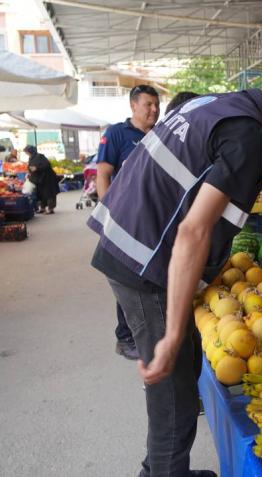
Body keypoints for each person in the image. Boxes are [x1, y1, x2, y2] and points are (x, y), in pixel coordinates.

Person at [87, 50, 262, 477]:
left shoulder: (219, 104)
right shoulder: (250, 133)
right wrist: (173, 332)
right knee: (175, 393)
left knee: (183, 371)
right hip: (145, 259)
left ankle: (159, 470)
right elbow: (193, 231)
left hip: (130, 242)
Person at [96, 84, 161, 361]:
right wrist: (108, 215)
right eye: (148, 104)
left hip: (153, 221)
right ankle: (125, 338)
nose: (154, 110)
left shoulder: (161, 133)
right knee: (126, 279)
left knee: (146, 278)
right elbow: (103, 174)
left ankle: (146, 332)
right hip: (125, 220)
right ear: (133, 106)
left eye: (157, 105)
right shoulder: (116, 133)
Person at [24, 145, 59, 214]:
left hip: (47, 178)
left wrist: (37, 168)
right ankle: (42, 208)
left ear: (30, 151)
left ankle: (51, 208)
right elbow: (30, 167)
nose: (26, 153)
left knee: (49, 193)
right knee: (40, 193)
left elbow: (47, 165)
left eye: (26, 152)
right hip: (39, 179)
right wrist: (29, 172)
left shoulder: (40, 156)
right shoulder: (31, 158)